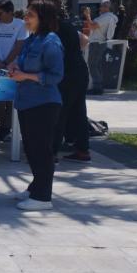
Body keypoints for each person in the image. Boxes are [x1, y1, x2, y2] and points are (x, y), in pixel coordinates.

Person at [8, 0, 64, 211]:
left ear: (43, 18)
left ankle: (43, 197)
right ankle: (35, 187)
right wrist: (15, 66)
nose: (26, 19)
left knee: (42, 150)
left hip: (44, 103)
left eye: (31, 15)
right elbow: (24, 64)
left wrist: (26, 76)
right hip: (27, 102)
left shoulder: (51, 42)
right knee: (31, 148)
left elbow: (56, 75)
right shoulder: (32, 40)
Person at [0, 0, 28, 141]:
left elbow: (19, 45)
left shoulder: (20, 25)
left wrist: (5, 62)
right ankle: (2, 126)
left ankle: (6, 128)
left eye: (0, 13)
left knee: (11, 99)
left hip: (13, 67)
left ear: (10, 13)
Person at [53, 14, 91, 163]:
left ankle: (52, 152)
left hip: (66, 73)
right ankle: (83, 150)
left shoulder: (52, 29)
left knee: (58, 112)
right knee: (79, 112)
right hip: (80, 70)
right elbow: (85, 40)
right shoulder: (67, 26)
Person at [85, 1, 118, 94]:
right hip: (100, 42)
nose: (101, 7)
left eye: (104, 6)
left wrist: (87, 15)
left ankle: (97, 88)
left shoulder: (106, 17)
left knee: (93, 64)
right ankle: (98, 86)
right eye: (102, 5)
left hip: (97, 42)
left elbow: (92, 26)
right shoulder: (109, 17)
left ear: (108, 8)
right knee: (97, 65)